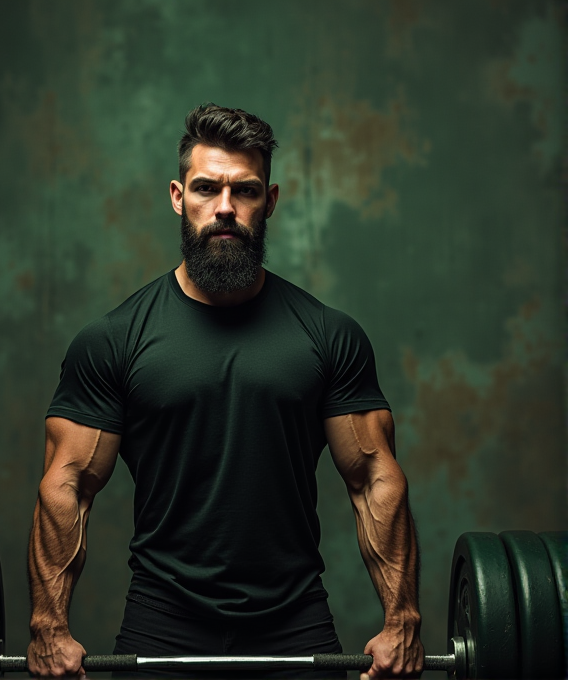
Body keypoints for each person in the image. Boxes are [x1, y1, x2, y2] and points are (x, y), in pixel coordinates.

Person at [26, 104, 424, 679]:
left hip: (295, 622)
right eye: (207, 188)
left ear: (272, 201)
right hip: (161, 622)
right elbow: (68, 485)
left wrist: (402, 618)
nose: (226, 209)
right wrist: (48, 626)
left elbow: (373, 479)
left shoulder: (328, 335)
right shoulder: (114, 340)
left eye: (247, 191)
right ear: (176, 196)